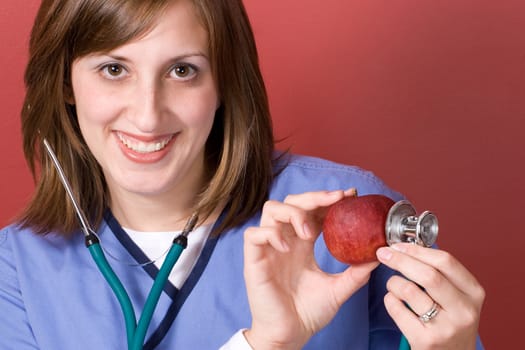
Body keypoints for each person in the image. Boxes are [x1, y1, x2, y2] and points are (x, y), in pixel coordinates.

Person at [0, 0, 485, 349]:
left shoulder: (346, 220)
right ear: (65, 82)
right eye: (113, 69)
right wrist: (265, 346)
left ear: (225, 83)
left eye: (183, 71)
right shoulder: (16, 272)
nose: (147, 116)